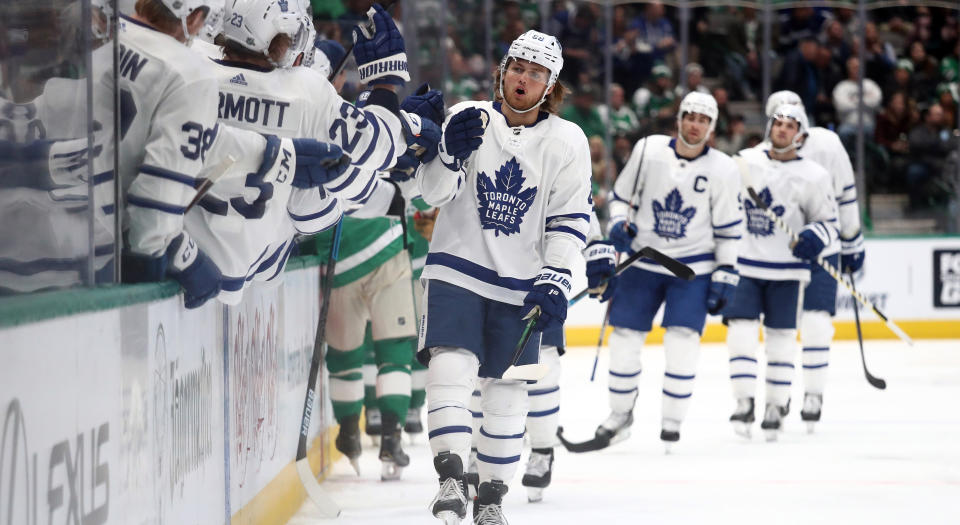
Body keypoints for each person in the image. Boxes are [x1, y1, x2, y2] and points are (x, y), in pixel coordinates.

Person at [417, 30, 592, 524]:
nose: (523, 79)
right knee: (450, 368)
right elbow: (432, 194)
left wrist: (556, 276)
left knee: (510, 394)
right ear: (502, 71)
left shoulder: (568, 140)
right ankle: (451, 477)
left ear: (550, 85)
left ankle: (490, 500)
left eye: (536, 73)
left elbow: (569, 217)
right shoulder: (467, 117)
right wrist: (446, 155)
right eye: (517, 67)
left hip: (522, 286)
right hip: (456, 267)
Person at [115, 0, 335, 309]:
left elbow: (204, 141)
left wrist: (275, 155)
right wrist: (181, 254)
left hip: (79, 235)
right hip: (132, 254)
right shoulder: (185, 72)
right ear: (192, 18)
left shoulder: (104, 43)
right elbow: (160, 183)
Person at [589, 91, 743, 452]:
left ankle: (672, 421)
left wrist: (726, 272)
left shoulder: (723, 169)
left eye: (703, 120)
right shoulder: (647, 150)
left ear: (712, 127)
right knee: (624, 338)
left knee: (682, 342)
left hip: (692, 268)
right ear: (679, 119)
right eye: (690, 117)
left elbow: (728, 230)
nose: (695, 125)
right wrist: (617, 224)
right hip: (642, 261)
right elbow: (621, 197)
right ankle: (620, 414)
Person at [729, 104, 838, 440]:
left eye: (791, 125)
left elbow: (829, 222)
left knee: (781, 341)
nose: (782, 129)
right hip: (745, 264)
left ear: (801, 135)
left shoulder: (815, 176)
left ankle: (776, 404)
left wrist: (814, 237)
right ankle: (744, 401)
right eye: (778, 123)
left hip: (789, 272)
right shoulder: (744, 162)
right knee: (742, 333)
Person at [757, 91, 864, 429]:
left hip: (823, 250)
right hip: (779, 255)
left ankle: (814, 395)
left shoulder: (828, 144)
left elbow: (845, 192)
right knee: (781, 330)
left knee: (817, 323)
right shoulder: (762, 153)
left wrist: (851, 240)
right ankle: (779, 395)